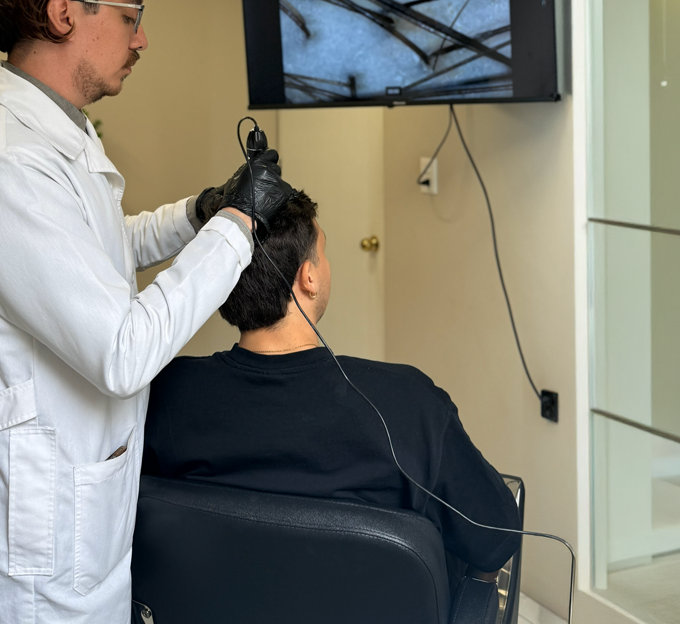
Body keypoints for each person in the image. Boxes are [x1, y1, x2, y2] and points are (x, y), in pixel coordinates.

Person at [0, 0, 294, 624]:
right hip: (25, 532)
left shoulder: (50, 132)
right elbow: (122, 351)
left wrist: (202, 211)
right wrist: (238, 228)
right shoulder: (7, 163)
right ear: (64, 13)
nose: (142, 38)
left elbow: (90, 248)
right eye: (131, 15)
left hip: (63, 499)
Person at [142, 190, 522, 578]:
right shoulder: (408, 403)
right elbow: (496, 539)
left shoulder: (168, 392)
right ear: (308, 277)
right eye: (322, 253)